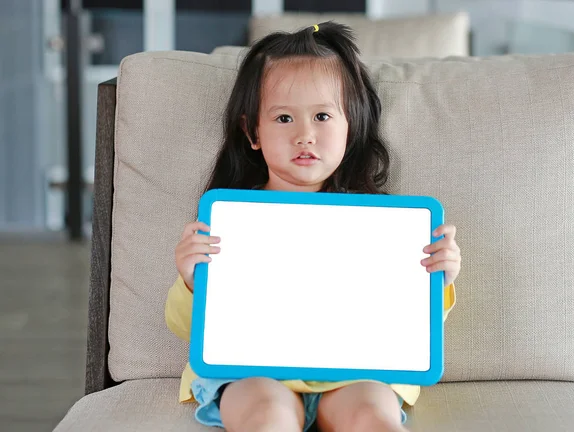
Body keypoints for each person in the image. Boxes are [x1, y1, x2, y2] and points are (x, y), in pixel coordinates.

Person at [165, 21, 461, 432]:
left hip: (354, 372)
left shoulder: (382, 223)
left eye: (322, 116)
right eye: (284, 118)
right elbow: (186, 328)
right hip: (251, 371)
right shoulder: (227, 222)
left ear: (351, 126)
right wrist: (191, 281)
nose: (305, 135)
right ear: (253, 131)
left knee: (374, 417)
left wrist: (438, 277)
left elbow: (404, 328)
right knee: (266, 416)